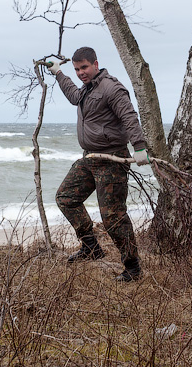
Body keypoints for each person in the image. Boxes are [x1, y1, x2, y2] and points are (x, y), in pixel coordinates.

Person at [46, 46, 150, 282]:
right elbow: (74, 96)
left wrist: (140, 147)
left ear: (95, 63)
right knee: (66, 197)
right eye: (76, 69)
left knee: (113, 216)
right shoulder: (86, 89)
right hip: (90, 157)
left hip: (111, 160)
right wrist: (59, 74)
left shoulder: (111, 88)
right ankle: (91, 247)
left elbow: (129, 116)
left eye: (84, 67)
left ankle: (133, 267)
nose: (80, 73)